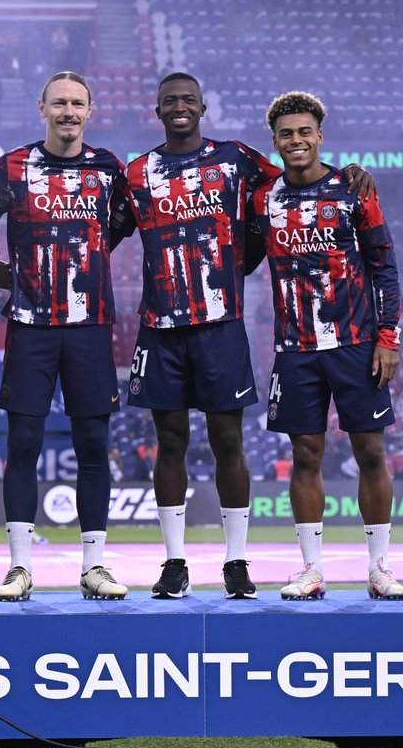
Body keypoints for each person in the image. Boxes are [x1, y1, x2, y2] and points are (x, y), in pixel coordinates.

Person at [124, 72, 375, 600]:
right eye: (169, 100)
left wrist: (348, 174)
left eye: (188, 99)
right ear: (157, 109)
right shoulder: (137, 172)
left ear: (203, 105)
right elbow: (104, 227)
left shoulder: (237, 159)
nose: (179, 107)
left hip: (221, 325)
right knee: (168, 443)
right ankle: (174, 563)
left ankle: (236, 562)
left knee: (228, 442)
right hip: (161, 327)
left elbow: (299, 175)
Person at [0, 71, 136, 602]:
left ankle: (94, 567)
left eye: (77, 103)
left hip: (90, 324)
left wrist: (89, 256)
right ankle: (20, 569)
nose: (68, 111)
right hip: (30, 326)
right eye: (59, 103)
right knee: (22, 444)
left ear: (90, 111)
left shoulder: (109, 168)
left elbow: (122, 223)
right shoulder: (14, 166)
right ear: (41, 108)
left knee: (93, 445)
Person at [249, 91, 403, 601]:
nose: (296, 141)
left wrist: (388, 339)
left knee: (370, 452)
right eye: (286, 134)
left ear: (320, 135)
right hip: (295, 347)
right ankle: (311, 569)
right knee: (306, 454)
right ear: (274, 142)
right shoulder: (262, 198)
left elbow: (384, 266)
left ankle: (380, 567)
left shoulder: (353, 190)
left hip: (357, 343)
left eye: (304, 132)